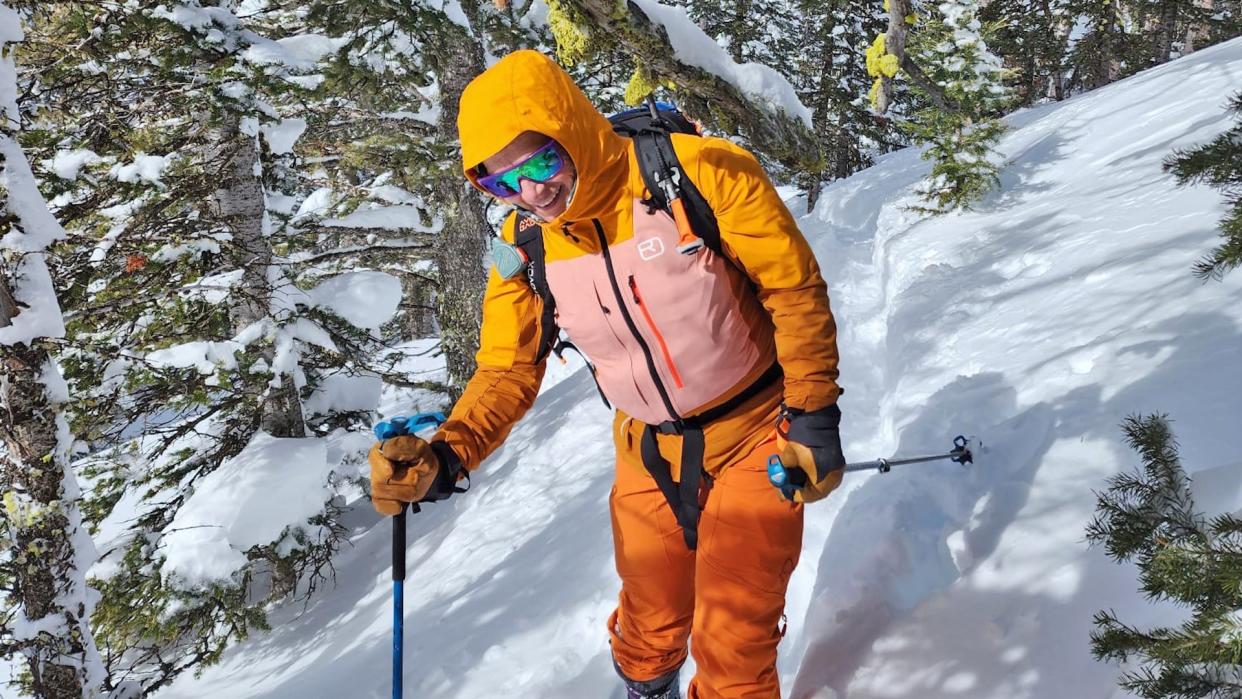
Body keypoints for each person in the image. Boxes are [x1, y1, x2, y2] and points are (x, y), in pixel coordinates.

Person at [369, 49, 845, 699]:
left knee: (733, 639)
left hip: (757, 427)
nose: (532, 191)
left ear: (572, 127)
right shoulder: (527, 244)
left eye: (539, 160)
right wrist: (447, 452)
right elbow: (507, 368)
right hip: (648, 446)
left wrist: (813, 414)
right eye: (503, 182)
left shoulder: (698, 175)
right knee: (647, 630)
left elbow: (793, 290)